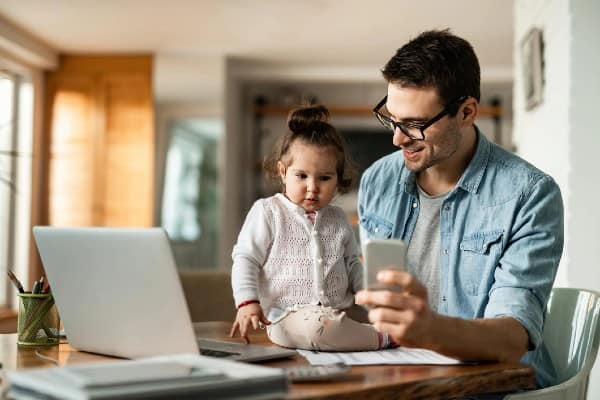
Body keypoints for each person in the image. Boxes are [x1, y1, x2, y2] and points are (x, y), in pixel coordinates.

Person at [354, 29, 564, 389]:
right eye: (391, 117)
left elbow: (513, 338)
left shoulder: (530, 194)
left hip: (494, 389)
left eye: (415, 125)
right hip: (399, 380)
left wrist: (429, 329)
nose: (397, 138)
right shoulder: (378, 180)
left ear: (466, 112)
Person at [229, 104, 392, 351]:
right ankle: (386, 339)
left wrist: (370, 297)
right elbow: (245, 259)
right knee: (320, 328)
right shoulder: (268, 212)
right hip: (286, 318)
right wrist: (247, 302)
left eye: (324, 178)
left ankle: (375, 332)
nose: (312, 187)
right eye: (302, 176)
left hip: (341, 311)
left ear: (338, 178)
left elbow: (352, 265)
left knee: (371, 317)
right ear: (283, 172)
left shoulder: (338, 218)